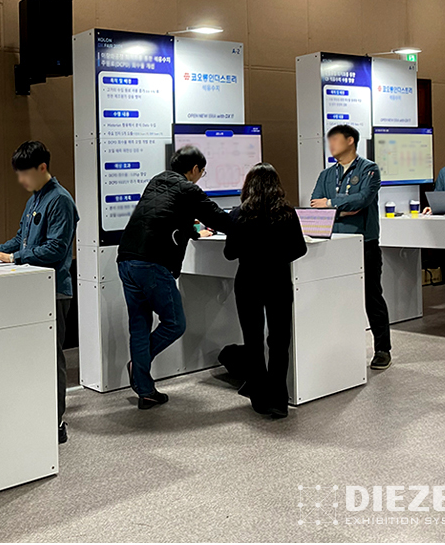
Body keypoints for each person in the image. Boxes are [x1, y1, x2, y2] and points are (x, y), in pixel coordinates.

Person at [116, 146, 232, 409]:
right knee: (175, 323)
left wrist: (194, 232)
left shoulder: (157, 181)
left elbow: (166, 215)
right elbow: (218, 218)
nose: (201, 177)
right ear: (195, 169)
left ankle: (145, 391)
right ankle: (139, 365)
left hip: (126, 258)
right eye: (202, 172)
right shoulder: (189, 189)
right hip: (152, 263)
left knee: (139, 325)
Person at [0, 141, 79, 444]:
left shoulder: (60, 200)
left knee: (51, 358)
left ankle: (56, 421)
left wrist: (13, 258)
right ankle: (34, 416)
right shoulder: (35, 199)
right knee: (33, 357)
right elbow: (20, 239)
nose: (21, 180)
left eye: (25, 173)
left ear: (42, 168)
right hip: (31, 291)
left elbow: (56, 249)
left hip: (53, 291)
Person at [223, 163, 306, 418]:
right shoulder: (287, 213)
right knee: (279, 341)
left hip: (248, 282)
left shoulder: (238, 215)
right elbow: (300, 248)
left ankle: (259, 398)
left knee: (254, 340)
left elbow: (229, 253)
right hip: (278, 282)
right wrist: (277, 257)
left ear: (248, 186)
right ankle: (279, 400)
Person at [310, 124, 393, 370]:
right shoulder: (326, 174)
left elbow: (363, 199)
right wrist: (344, 209)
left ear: (350, 141)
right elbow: (315, 203)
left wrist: (331, 204)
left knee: (372, 296)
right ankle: (337, 351)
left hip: (364, 242)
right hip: (334, 242)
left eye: (335, 140)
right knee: (334, 296)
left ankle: (382, 349)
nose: (331, 145)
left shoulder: (369, 169)